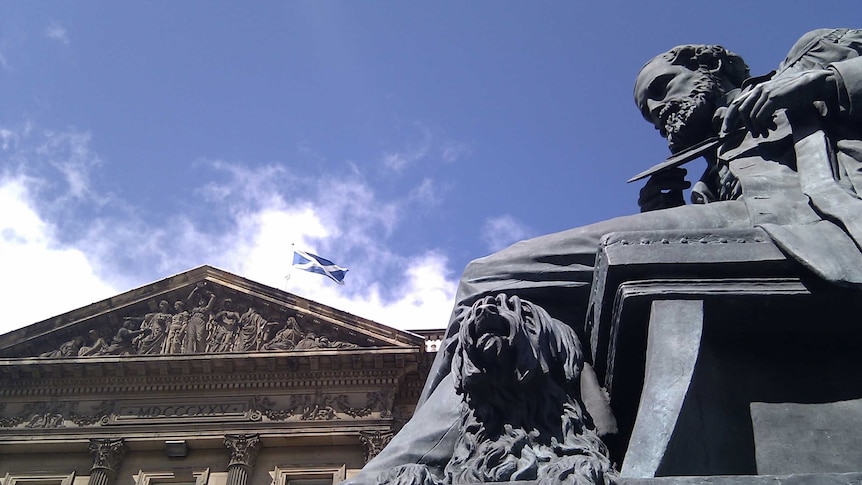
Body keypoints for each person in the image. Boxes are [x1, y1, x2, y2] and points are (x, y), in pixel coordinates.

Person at [345, 28, 862, 484]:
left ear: (710, 67)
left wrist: (826, 83)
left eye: (664, 89)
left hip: (814, 218)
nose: (659, 112)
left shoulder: (809, 60)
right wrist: (665, 207)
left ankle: (406, 466)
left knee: (492, 275)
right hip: (756, 222)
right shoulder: (713, 166)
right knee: (529, 313)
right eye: (649, 110)